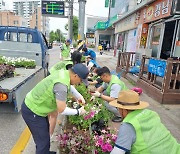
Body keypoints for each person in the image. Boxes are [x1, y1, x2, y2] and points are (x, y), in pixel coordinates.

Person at [21, 63, 89, 154]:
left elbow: (69, 86)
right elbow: (62, 109)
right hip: (33, 110)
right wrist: (78, 111)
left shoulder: (64, 73)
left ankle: (45, 152)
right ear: (75, 76)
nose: (80, 83)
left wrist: (78, 95)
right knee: (43, 142)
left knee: (44, 136)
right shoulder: (61, 85)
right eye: (80, 80)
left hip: (37, 108)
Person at [110, 90, 180, 154]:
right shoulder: (151, 113)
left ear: (123, 110)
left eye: (118, 108)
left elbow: (117, 152)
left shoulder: (128, 124)